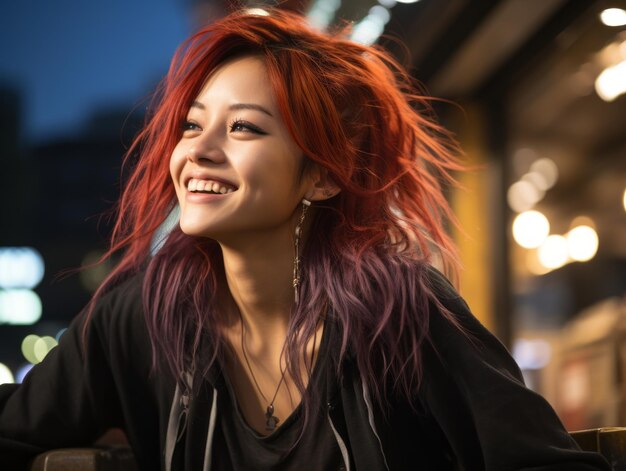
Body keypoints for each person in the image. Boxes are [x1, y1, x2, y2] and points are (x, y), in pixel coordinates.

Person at [0, 9, 612, 471]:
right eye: (193, 124)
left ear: (321, 175)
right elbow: (17, 431)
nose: (198, 152)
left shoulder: (400, 310)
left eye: (243, 127)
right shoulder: (139, 313)